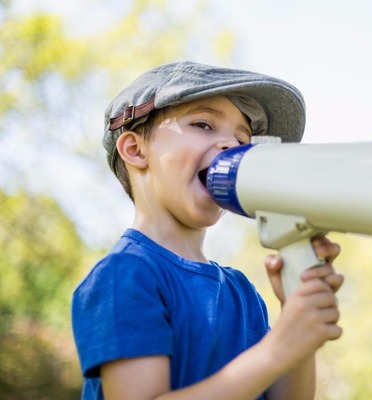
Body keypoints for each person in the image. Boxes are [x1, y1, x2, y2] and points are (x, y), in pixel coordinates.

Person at [71, 61, 345, 400]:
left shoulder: (242, 292)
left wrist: (297, 320)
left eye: (243, 139)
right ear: (135, 150)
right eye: (203, 124)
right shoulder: (125, 274)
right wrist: (277, 349)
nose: (232, 145)